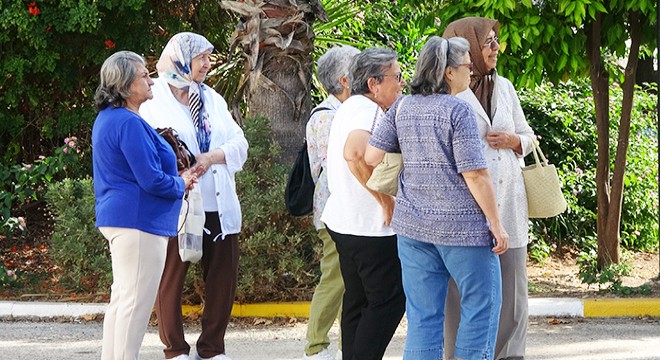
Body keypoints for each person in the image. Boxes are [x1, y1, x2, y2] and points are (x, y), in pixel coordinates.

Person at [365, 36, 510, 360]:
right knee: (481, 309)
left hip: (413, 229)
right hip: (463, 231)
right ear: (447, 73)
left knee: (422, 318)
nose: (470, 74)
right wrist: (496, 225)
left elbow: (372, 155)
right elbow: (475, 174)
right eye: (466, 68)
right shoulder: (457, 110)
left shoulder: (402, 106)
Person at [140, 32, 249, 360]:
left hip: (218, 201)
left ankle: (212, 348)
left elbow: (239, 143)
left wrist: (210, 157)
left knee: (222, 278)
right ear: (181, 58)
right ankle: (175, 349)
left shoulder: (211, 98)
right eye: (201, 57)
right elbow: (149, 147)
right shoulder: (152, 96)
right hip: (178, 204)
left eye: (208, 56)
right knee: (171, 275)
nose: (208, 63)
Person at [92, 50, 198, 360]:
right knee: (134, 304)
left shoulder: (110, 119)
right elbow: (150, 179)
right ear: (124, 84)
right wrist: (182, 182)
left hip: (123, 217)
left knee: (123, 300)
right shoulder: (128, 123)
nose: (150, 79)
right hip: (138, 221)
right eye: (143, 75)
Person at [443, 17, 535, 360]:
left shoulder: (506, 87)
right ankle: (457, 354)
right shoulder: (447, 92)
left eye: (497, 41)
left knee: (512, 294)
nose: (495, 48)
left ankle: (509, 355)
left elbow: (529, 136)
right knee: (460, 293)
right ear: (465, 47)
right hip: (465, 206)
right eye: (488, 42)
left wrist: (514, 141)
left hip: (508, 201)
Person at [320, 47, 407, 360]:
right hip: (368, 228)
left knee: (357, 302)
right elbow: (355, 154)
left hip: (346, 223)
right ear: (374, 83)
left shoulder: (350, 106)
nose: (401, 83)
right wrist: (384, 200)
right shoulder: (366, 110)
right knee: (388, 301)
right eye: (396, 77)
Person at [303, 45, 360, 360]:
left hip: (346, 211)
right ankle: (316, 346)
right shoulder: (327, 117)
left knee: (347, 279)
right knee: (335, 277)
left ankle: (335, 344)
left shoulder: (348, 112)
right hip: (334, 211)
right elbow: (338, 166)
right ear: (345, 80)